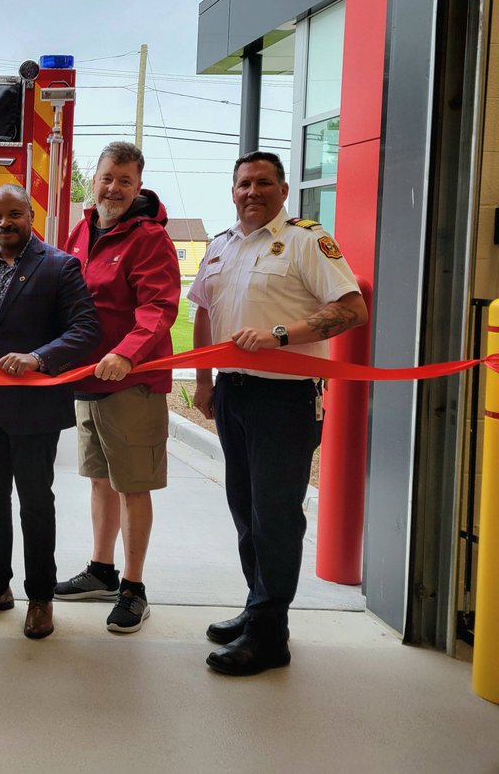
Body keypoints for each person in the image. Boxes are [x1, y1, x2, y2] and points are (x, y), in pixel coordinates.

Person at [190, 150, 366, 676]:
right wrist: (203, 383)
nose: (252, 192)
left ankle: (270, 637)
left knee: (276, 518)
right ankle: (258, 607)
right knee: (245, 514)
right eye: (244, 183)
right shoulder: (221, 246)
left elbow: (352, 309)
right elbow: (203, 311)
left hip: (285, 400)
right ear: (233, 190)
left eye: (264, 183)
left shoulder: (306, 242)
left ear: (284, 191)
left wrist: (280, 336)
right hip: (233, 394)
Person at [0, 184, 100, 640]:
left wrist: (38, 356)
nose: (4, 224)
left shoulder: (59, 266)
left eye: (14, 215)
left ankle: (40, 597)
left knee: (35, 505)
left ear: (30, 216)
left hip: (34, 413)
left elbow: (86, 329)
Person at [55, 142, 180, 634]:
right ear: (95, 179)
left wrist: (127, 352)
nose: (114, 188)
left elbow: (160, 307)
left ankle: (133, 587)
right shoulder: (82, 231)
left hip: (133, 383)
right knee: (100, 479)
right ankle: (101, 571)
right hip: (87, 381)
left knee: (133, 486)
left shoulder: (149, 238)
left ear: (138, 186)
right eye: (108, 177)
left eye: (125, 181)